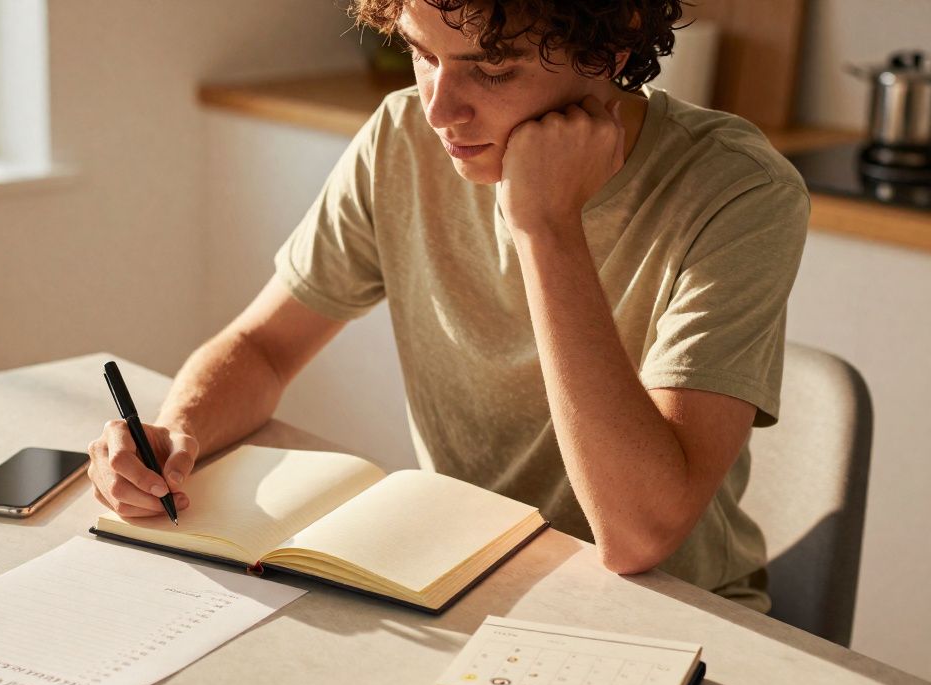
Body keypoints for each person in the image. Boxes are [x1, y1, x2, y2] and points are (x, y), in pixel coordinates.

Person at [87, 0, 809, 613]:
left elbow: (638, 536)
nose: (438, 109)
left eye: (491, 70)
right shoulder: (401, 137)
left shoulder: (737, 192)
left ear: (611, 45)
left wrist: (544, 226)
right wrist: (173, 438)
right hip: (462, 583)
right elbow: (265, 347)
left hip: (669, 614)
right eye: (421, 52)